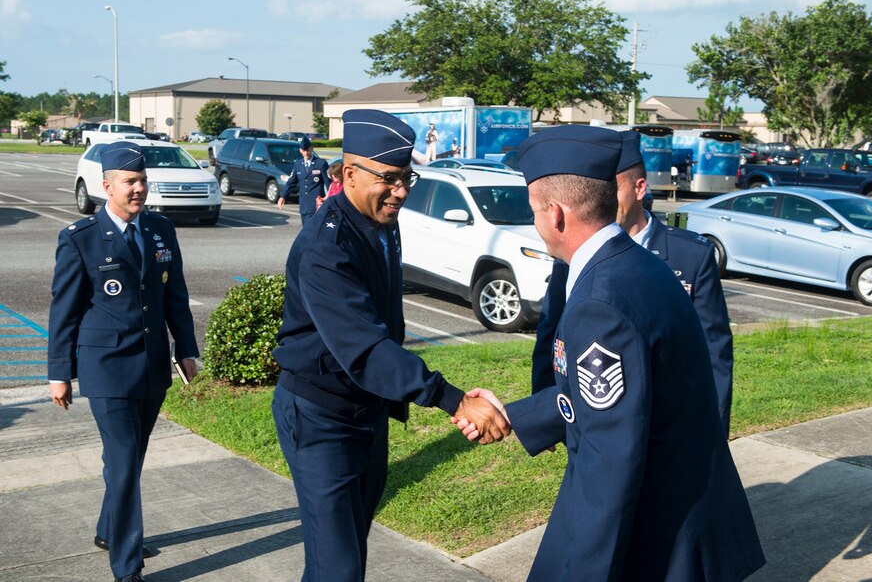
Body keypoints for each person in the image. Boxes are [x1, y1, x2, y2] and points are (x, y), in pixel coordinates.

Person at [459, 125, 764, 581]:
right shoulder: (638, 264)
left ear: (556, 214)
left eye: (535, 212)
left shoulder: (599, 302)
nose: (536, 224)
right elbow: (625, 393)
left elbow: (610, 459)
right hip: (686, 509)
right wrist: (515, 414)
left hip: (658, 532)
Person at [271, 109, 509, 582]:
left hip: (367, 410)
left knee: (344, 555)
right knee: (336, 566)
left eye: (407, 179)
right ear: (351, 174)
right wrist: (451, 398)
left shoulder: (380, 222)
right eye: (390, 179)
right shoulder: (326, 246)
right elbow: (363, 347)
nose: (400, 191)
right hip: (323, 418)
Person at [48, 141, 199, 582]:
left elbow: (176, 295)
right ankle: (127, 566)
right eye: (130, 182)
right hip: (107, 367)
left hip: (151, 365)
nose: (139, 189)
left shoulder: (160, 230)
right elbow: (65, 310)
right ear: (107, 184)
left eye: (143, 181)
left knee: (127, 460)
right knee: (126, 458)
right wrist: (60, 373)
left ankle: (107, 530)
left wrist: (185, 348)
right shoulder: (80, 238)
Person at [532, 130, 734, 434]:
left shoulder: (690, 255)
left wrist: (715, 430)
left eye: (612, 188)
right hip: (596, 418)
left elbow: (715, 352)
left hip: (668, 423)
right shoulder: (574, 254)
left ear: (640, 188)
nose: (602, 200)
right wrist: (543, 416)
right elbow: (552, 337)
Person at [277, 136, 331, 224]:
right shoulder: (298, 164)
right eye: (304, 150)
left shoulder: (320, 163)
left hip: (317, 205)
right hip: (304, 205)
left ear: (312, 149)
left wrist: (330, 199)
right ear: (300, 151)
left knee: (313, 232)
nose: (306, 153)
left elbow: (329, 184)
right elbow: (291, 182)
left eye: (308, 150)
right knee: (306, 231)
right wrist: (283, 196)